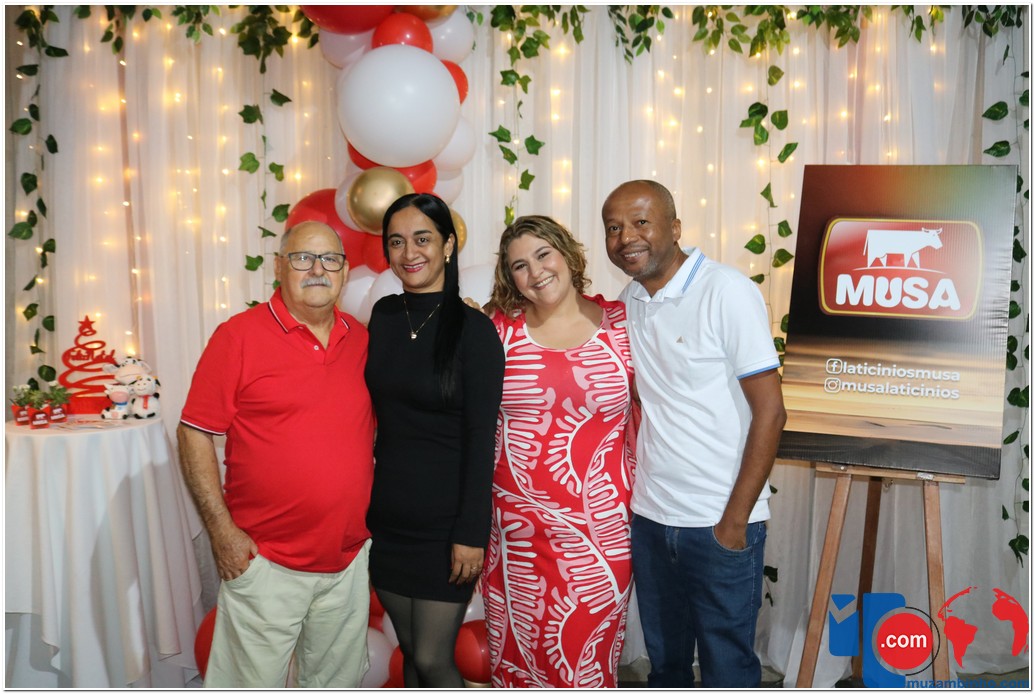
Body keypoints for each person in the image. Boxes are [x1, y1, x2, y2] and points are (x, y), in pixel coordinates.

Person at [601, 180, 787, 688]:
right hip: (651, 517)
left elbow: (771, 413)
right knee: (666, 667)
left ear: (676, 227)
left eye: (641, 222)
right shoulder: (630, 299)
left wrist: (734, 521)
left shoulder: (726, 290)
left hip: (718, 520)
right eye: (613, 228)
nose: (626, 237)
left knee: (727, 669)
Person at [177, 221, 375, 688]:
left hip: (347, 562)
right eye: (303, 258)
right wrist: (221, 532)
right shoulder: (238, 336)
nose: (317, 270)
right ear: (279, 267)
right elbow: (194, 433)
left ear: (345, 272)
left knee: (335, 685)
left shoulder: (363, 339)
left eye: (330, 259)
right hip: (265, 562)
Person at [482, 215, 637, 688]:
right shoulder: (497, 330)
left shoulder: (622, 323)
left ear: (567, 254)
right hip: (516, 537)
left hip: (601, 534)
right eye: (519, 266)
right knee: (520, 661)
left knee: (585, 661)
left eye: (543, 254)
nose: (535, 272)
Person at [365, 193, 505, 688]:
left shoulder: (474, 331)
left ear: (447, 245)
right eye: (396, 241)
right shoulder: (383, 317)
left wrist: (471, 533)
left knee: (433, 659)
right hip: (388, 519)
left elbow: (481, 438)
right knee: (411, 656)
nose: (409, 253)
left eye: (422, 238)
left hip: (447, 527)